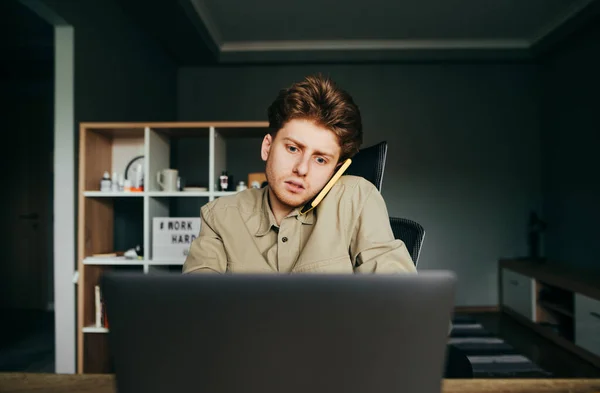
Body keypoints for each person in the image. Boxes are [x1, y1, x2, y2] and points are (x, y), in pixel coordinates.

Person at [183, 74, 416, 274]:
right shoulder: (219, 216)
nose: (302, 169)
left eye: (320, 159)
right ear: (267, 147)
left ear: (335, 170)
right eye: (293, 148)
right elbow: (195, 305)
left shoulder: (356, 197)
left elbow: (400, 296)